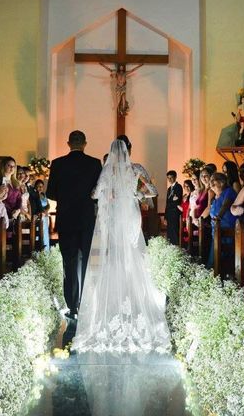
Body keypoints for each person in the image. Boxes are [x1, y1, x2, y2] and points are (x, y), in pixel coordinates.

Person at [72, 139, 171, 353]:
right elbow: (153, 191)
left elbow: (95, 194)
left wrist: (109, 195)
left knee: (114, 255)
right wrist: (136, 194)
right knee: (131, 255)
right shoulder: (136, 169)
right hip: (131, 215)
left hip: (114, 215)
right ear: (130, 150)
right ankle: (133, 302)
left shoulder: (107, 172)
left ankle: (115, 301)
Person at [46, 130, 102, 318]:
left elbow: (50, 193)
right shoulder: (94, 164)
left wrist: (66, 196)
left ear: (68, 143)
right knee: (87, 262)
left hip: (66, 219)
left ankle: (73, 305)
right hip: (86, 220)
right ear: (85, 144)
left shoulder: (58, 164)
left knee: (69, 263)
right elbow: (98, 193)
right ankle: (87, 302)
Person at [207, 172, 237, 269]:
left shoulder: (228, 191)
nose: (211, 182)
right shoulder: (214, 198)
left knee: (221, 262)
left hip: (227, 232)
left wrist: (219, 216)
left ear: (222, 182)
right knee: (213, 262)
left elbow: (225, 205)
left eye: (213, 180)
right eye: (210, 180)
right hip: (216, 233)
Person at [165, 170, 182, 245]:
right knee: (169, 231)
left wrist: (173, 201)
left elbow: (177, 201)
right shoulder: (169, 189)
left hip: (175, 212)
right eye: (168, 178)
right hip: (169, 213)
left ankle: (176, 246)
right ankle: (170, 246)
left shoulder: (178, 187)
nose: (169, 180)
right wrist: (165, 216)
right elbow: (167, 203)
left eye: (171, 178)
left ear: (175, 177)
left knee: (175, 231)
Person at [35, 179, 50, 249]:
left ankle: (46, 251)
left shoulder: (43, 195)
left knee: (45, 234)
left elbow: (48, 205)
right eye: (38, 186)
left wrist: (46, 210)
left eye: (41, 186)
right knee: (40, 233)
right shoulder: (34, 196)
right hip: (39, 216)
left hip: (45, 217)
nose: (40, 188)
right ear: (35, 187)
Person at [180, 179, 195, 244]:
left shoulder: (192, 195)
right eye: (185, 186)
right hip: (183, 216)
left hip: (189, 216)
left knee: (190, 233)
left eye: (188, 186)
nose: (186, 188)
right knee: (183, 234)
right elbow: (181, 208)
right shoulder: (184, 196)